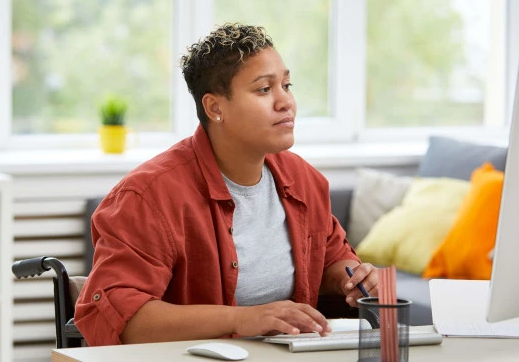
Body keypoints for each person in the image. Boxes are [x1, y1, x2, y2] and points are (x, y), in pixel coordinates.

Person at [74, 23, 379, 346]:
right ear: (215, 108)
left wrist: (353, 279)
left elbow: (332, 258)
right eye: (264, 90)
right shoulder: (146, 197)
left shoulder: (304, 180)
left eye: (287, 85)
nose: (285, 102)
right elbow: (125, 319)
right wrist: (242, 320)